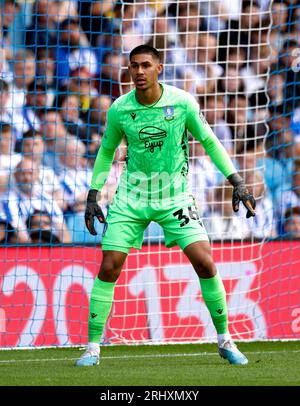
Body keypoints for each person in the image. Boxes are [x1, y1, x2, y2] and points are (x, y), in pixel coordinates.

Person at [75, 45, 256, 367]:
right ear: (128, 71)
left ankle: (225, 339)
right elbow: (106, 151)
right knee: (109, 265)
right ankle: (92, 348)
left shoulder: (182, 102)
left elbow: (210, 141)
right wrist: (93, 194)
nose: (140, 72)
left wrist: (237, 182)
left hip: (174, 197)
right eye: (134, 66)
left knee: (204, 260)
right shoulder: (119, 109)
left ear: (160, 67)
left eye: (146, 65)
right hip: (131, 199)